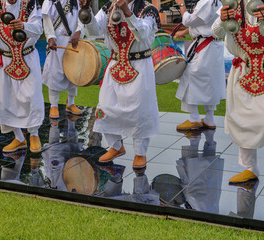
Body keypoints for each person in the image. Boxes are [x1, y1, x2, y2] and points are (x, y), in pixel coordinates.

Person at [212, 0, 264, 188]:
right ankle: (250, 168)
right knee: (243, 119)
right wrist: (221, 19)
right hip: (244, 70)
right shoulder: (231, 3)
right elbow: (215, 33)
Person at [79, 0, 160, 169]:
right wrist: (86, 12)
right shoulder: (108, 8)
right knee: (105, 107)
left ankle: (140, 153)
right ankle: (116, 146)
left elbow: (143, 34)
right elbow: (94, 31)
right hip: (115, 65)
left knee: (139, 112)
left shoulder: (148, 9)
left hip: (139, 65)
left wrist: (126, 11)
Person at [0, 0, 45, 153]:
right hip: (4, 61)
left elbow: (38, 28)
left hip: (28, 57)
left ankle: (34, 134)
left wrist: (24, 26)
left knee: (32, 97)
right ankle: (18, 137)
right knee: (4, 99)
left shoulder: (30, 3)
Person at [173, 0, 226, 131]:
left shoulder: (206, 1)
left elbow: (189, 20)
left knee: (190, 77)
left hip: (205, 46)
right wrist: (185, 32)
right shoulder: (216, 2)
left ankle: (194, 118)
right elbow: (204, 22)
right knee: (211, 82)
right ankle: (209, 118)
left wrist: (181, 5)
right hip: (214, 46)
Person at [42, 0, 84, 118]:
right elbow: (47, 19)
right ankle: (53, 105)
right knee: (54, 73)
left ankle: (70, 103)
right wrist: (50, 37)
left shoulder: (76, 1)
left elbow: (82, 18)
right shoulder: (50, 1)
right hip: (57, 41)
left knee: (73, 73)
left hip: (73, 41)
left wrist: (79, 31)